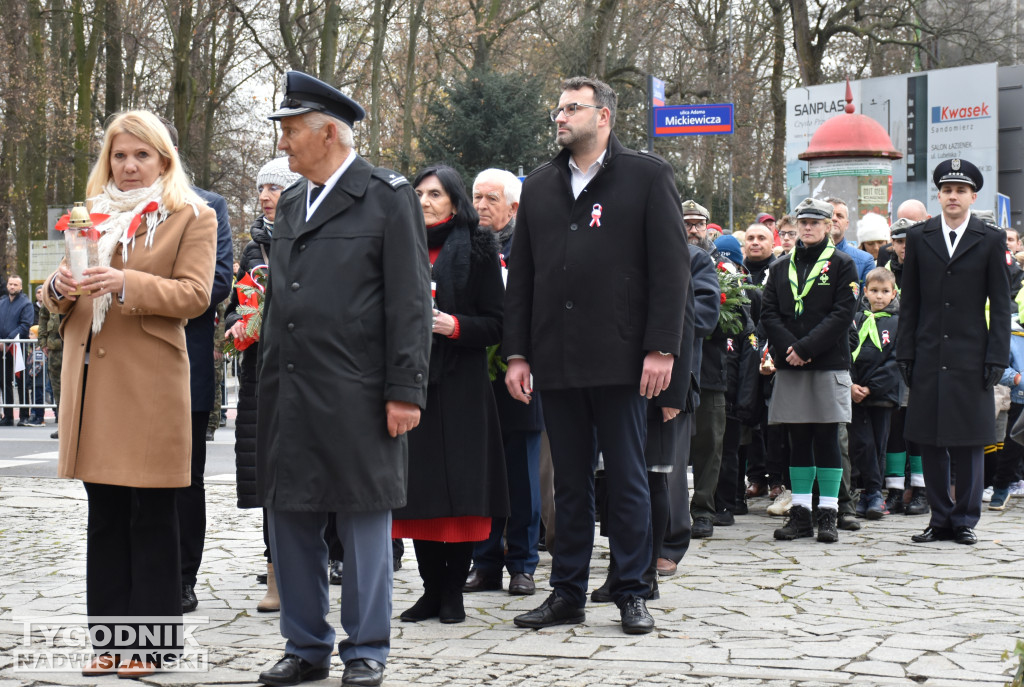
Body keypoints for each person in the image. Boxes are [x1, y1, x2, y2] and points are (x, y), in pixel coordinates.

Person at [256, 71, 431, 687]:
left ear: (328, 132)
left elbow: (409, 302)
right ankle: (304, 646)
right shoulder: (294, 202)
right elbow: (281, 298)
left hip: (358, 388)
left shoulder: (387, 196)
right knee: (292, 516)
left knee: (362, 520)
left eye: (291, 131)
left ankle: (366, 649)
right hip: (292, 388)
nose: (283, 144)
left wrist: (405, 389)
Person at [504, 76, 689, 635]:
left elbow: (671, 270)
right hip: (556, 359)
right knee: (571, 482)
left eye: (571, 108)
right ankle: (567, 592)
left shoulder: (647, 177)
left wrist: (661, 347)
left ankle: (632, 590)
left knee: (628, 477)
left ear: (603, 116)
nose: (560, 117)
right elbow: (524, 279)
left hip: (622, 357)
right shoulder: (538, 187)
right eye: (557, 109)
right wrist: (517, 354)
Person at [43, 110, 217, 679]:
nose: (129, 165)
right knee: (106, 514)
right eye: (119, 155)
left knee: (152, 514)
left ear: (163, 158)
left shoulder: (191, 214)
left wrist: (126, 282)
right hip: (93, 381)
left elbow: (195, 295)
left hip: (149, 386)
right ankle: (109, 643)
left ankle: (153, 645)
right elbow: (59, 294)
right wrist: (57, 287)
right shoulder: (86, 215)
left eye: (141, 154)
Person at [390, 164, 507, 624]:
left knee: (459, 493)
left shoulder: (479, 248)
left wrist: (453, 325)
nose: (424, 201)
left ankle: (453, 592)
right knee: (420, 495)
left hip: (461, 386)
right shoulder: (399, 246)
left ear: (455, 202)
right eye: (418, 193)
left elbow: (497, 323)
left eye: (435, 194)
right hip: (412, 382)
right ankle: (430, 590)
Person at [898, 158, 1011, 546]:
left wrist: (997, 356)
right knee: (930, 439)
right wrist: (905, 352)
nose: (953, 196)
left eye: (960, 191)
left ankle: (964, 519)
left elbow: (1000, 305)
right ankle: (939, 517)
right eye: (947, 190)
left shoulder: (991, 239)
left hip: (972, 353)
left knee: (969, 441)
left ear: (972, 196)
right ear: (939, 195)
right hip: (928, 351)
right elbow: (909, 301)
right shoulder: (919, 237)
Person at [161, 119, 234, 617]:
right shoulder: (104, 209)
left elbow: (218, 283)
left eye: (147, 151)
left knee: (186, 481)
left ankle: (182, 579)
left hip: (183, 363)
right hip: (121, 371)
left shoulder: (208, 207)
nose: (133, 163)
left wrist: (138, 287)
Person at [225, 155, 302, 614]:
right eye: (261, 189)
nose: (265, 196)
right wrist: (239, 322)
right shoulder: (253, 249)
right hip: (262, 374)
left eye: (275, 187)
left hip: (308, 372)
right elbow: (235, 304)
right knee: (270, 479)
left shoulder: (315, 237)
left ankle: (328, 560)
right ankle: (275, 575)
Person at [464, 168, 544, 597]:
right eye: (476, 197)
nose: (480, 206)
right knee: (483, 474)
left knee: (521, 477)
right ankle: (485, 561)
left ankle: (522, 563)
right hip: (477, 375)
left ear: (514, 207)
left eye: (491, 199)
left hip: (522, 372)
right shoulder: (469, 245)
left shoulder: (530, 247)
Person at [761, 197, 858, 543]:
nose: (807, 228)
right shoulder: (780, 266)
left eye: (815, 222)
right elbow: (769, 313)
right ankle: (800, 514)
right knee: (797, 438)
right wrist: (791, 350)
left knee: (827, 437)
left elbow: (842, 314)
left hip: (828, 362)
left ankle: (828, 514)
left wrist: (805, 348)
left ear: (829, 226)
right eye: (803, 222)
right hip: (790, 364)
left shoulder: (843, 264)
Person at [849, 267, 900, 519]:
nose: (879, 296)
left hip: (881, 396)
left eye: (885, 292)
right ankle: (864, 491)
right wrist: (851, 384)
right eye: (874, 291)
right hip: (854, 393)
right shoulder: (855, 319)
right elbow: (845, 352)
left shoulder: (897, 322)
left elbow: (895, 361)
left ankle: (875, 493)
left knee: (878, 444)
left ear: (893, 294)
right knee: (861, 443)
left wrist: (871, 387)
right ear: (865, 292)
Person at [0, 276, 34, 425]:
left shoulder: (26, 304)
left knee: (21, 381)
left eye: (15, 284)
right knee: (4, 381)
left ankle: (24, 416)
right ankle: (8, 416)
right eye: (10, 284)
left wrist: (8, 339)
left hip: (18, 347)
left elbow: (25, 325)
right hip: (2, 348)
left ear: (21, 287)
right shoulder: (2, 302)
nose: (12, 287)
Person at [825, 197, 875, 282]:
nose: (834, 219)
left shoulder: (865, 260)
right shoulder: (807, 256)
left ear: (847, 224)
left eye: (840, 216)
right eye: (830, 215)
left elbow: (868, 294)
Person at [37, 296, 62, 438]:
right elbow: (43, 317)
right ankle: (62, 426)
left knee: (74, 389)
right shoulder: (51, 293)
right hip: (54, 349)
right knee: (57, 389)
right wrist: (43, 341)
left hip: (73, 346)